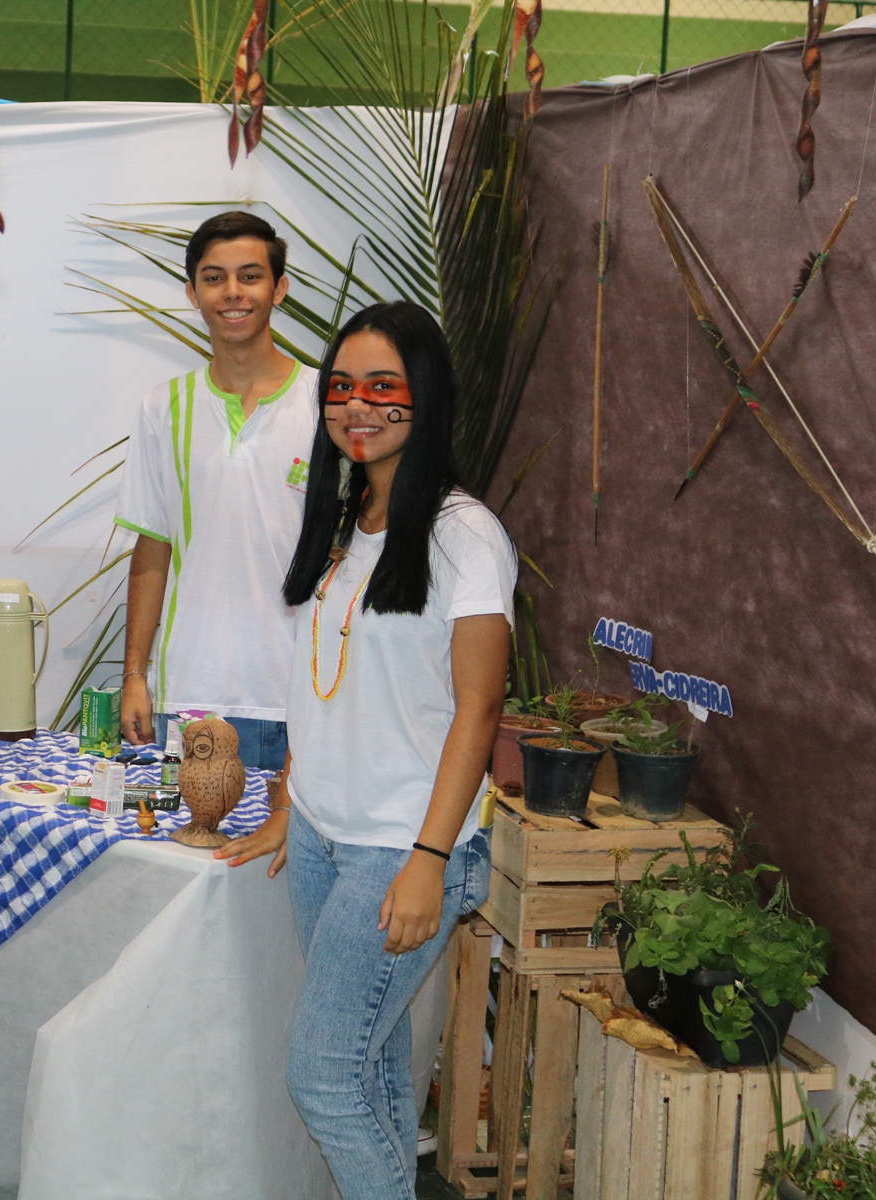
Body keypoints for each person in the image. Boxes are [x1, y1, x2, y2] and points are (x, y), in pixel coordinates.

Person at [217, 301, 513, 1198]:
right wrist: (290, 798)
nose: (358, 405)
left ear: (425, 396)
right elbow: (326, 685)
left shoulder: (464, 534)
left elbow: (479, 709)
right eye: (341, 387)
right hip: (322, 837)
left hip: (402, 846)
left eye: (384, 387)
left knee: (324, 1075)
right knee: (369, 1060)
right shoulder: (346, 520)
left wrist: (430, 859)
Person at [114, 211, 315, 771]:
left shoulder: (327, 404)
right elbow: (152, 549)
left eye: (250, 276)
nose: (232, 292)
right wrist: (134, 675)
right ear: (192, 293)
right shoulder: (162, 407)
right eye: (214, 278)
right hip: (189, 701)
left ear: (279, 288)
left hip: (301, 702)